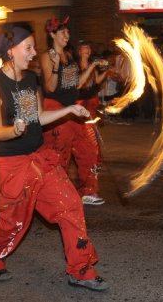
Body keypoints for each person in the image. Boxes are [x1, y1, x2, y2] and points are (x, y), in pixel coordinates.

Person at [0, 24, 109, 291]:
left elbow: (38, 116)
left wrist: (70, 110)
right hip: (12, 164)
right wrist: (12, 130)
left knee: (71, 204)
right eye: (27, 47)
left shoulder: (30, 80)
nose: (32, 53)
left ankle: (80, 268)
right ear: (10, 51)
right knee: (13, 222)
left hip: (40, 157)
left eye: (32, 47)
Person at [39, 16, 105, 206]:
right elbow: (51, 88)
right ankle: (55, 195)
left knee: (88, 150)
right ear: (52, 34)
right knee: (59, 155)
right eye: (63, 32)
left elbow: (76, 84)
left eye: (68, 32)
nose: (67, 35)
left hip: (73, 109)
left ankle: (87, 191)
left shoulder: (68, 56)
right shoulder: (47, 56)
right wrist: (56, 66)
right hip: (56, 111)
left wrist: (92, 66)